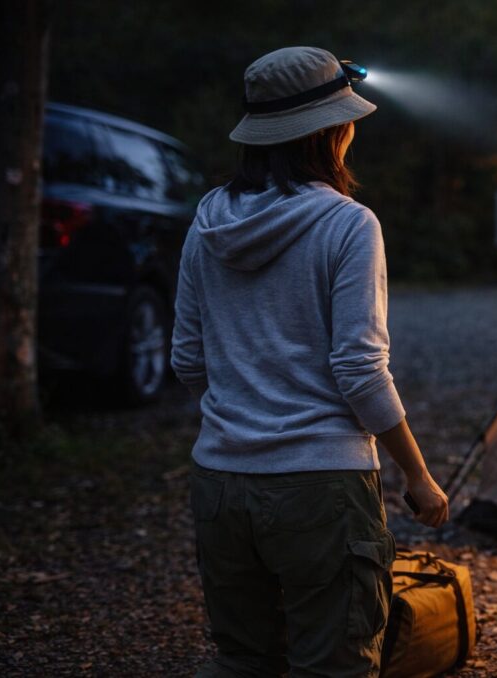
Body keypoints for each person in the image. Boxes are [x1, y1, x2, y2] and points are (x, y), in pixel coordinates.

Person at [170, 46, 449, 678]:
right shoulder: (349, 225)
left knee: (243, 660)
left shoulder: (209, 218)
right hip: (320, 487)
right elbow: (360, 370)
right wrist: (419, 476)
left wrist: (244, 411)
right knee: (335, 665)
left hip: (220, 483)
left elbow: (188, 357)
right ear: (331, 131)